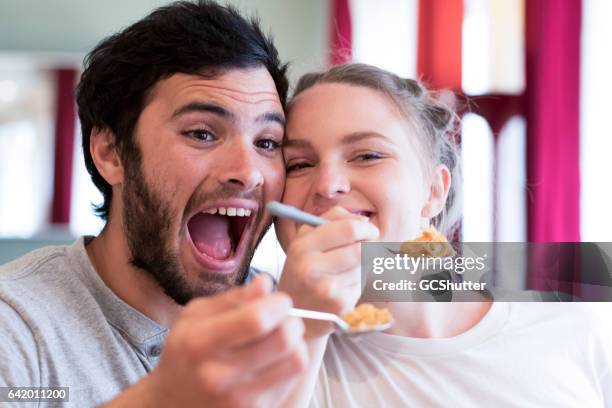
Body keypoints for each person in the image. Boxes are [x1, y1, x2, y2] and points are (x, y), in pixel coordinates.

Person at [0, 2, 315, 406]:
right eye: (202, 133)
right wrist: (162, 397)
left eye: (267, 142)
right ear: (112, 153)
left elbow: (420, 280)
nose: (249, 172)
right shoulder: (19, 325)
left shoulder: (293, 304)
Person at [275, 63, 612, 407]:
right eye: (299, 165)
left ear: (434, 190)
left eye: (368, 155)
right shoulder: (255, 365)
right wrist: (300, 326)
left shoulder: (575, 331)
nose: (328, 185)